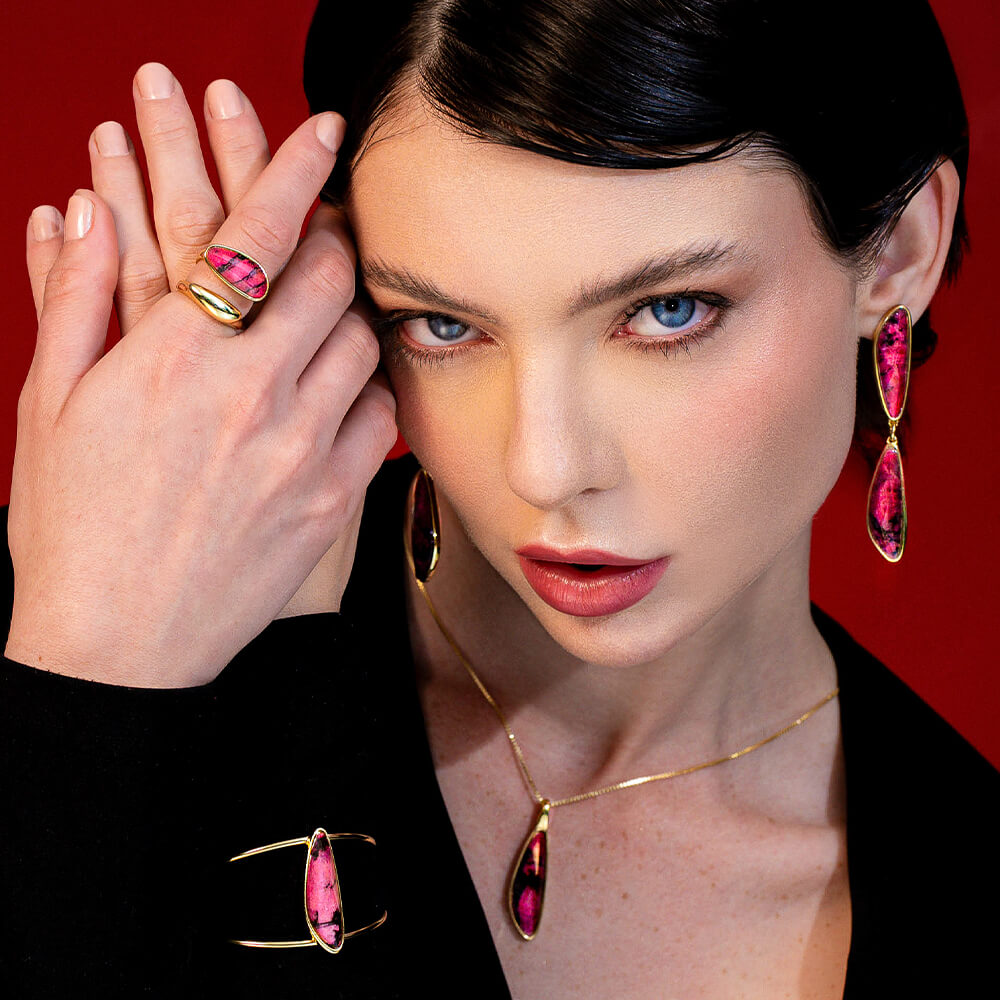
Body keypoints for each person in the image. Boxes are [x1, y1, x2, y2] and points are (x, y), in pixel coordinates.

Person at [2, 0, 997, 996]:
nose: (545, 468)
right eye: (441, 324)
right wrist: (91, 690)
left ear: (898, 253)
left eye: (667, 311)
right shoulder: (65, 642)